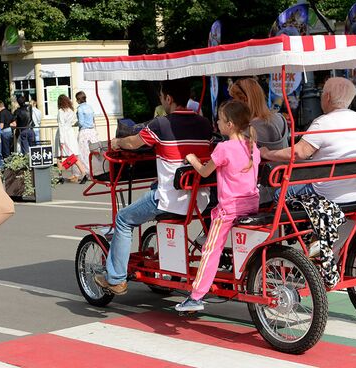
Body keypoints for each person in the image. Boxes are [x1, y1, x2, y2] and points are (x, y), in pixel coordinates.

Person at [94, 78, 213, 295]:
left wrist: (117, 143)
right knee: (155, 185)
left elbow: (133, 143)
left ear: (168, 98)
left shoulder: (161, 124)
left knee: (123, 218)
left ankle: (116, 278)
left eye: (161, 97)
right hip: (199, 198)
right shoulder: (204, 125)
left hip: (170, 200)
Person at [175, 100, 260, 311]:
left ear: (229, 124)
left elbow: (204, 172)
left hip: (229, 208)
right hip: (251, 203)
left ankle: (196, 296)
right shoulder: (252, 146)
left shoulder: (224, 148)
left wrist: (192, 158)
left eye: (220, 120)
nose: (217, 123)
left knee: (210, 249)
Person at [260, 77, 356, 204]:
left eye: (322, 93)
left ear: (328, 97)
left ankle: (297, 223)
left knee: (280, 194)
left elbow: (298, 153)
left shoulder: (323, 122)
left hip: (328, 195)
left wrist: (266, 153)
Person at [229, 77, 289, 204]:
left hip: (259, 193)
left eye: (234, 99)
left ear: (243, 100)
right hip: (285, 185)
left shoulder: (246, 131)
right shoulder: (280, 119)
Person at [57, 94, 87, 182]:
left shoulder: (60, 111)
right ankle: (84, 173)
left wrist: (61, 140)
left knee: (59, 156)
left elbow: (61, 125)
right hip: (70, 133)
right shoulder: (71, 111)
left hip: (63, 134)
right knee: (74, 156)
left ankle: (60, 177)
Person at [75, 91, 99, 179]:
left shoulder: (80, 109)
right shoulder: (90, 107)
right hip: (92, 131)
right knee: (93, 152)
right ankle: (95, 171)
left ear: (78, 99)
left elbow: (81, 122)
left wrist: (76, 123)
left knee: (84, 153)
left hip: (84, 132)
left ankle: (87, 172)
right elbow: (93, 120)